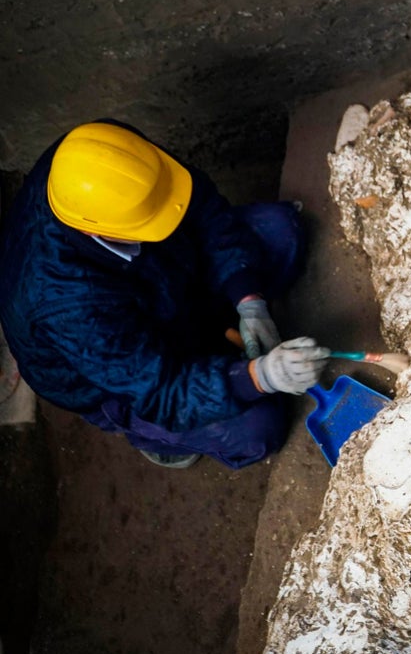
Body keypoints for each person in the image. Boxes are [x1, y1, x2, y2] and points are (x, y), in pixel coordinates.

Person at [0, 120, 330, 469]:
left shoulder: (107, 155)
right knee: (257, 429)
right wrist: (259, 378)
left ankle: (215, 329)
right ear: (92, 228)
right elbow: (160, 390)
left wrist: (249, 298)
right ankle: (150, 435)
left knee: (281, 231)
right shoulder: (67, 306)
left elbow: (202, 207)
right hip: (122, 369)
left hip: (164, 277)